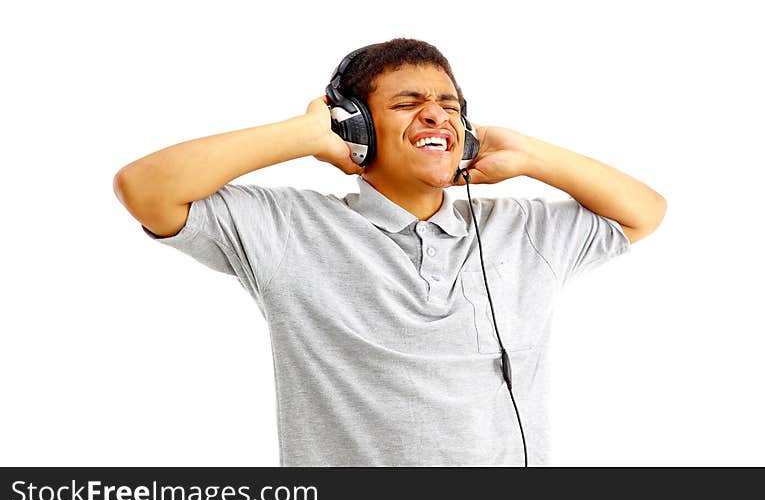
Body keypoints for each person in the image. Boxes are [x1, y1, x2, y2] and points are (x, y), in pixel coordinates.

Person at [112, 38, 666, 466]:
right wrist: (305, 135)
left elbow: (643, 210)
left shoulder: (521, 230)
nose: (436, 116)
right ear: (355, 124)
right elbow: (144, 189)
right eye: (408, 103)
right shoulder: (288, 229)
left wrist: (530, 155)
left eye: (450, 106)